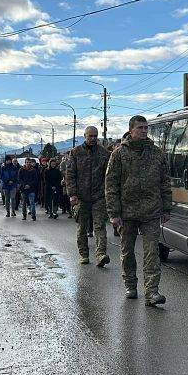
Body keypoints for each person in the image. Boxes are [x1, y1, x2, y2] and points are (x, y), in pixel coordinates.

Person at [106, 115, 171, 306]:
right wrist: (114, 214)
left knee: (152, 251)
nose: (144, 131)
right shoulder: (118, 154)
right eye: (141, 128)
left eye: (146, 128)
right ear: (131, 130)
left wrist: (167, 208)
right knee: (127, 251)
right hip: (127, 213)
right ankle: (130, 284)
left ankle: (152, 292)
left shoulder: (157, 153)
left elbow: (165, 182)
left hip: (151, 211)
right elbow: (111, 185)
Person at [65, 126, 111, 266]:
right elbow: (70, 174)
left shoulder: (104, 153)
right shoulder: (76, 152)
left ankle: (101, 254)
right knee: (82, 228)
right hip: (81, 197)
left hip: (99, 196)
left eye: (95, 136)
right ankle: (84, 254)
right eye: (90, 136)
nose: (93, 138)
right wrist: (72, 194)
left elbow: (109, 175)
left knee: (100, 226)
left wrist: (107, 193)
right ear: (84, 136)